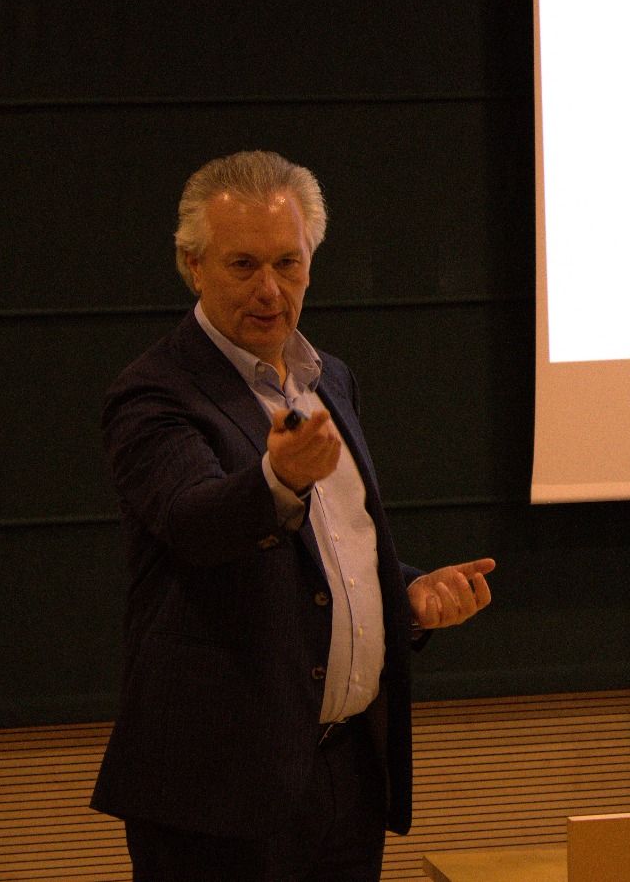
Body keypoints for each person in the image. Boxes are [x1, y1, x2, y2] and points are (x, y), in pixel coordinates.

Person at [90, 150, 495, 881]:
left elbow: (330, 553)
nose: (270, 289)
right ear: (193, 265)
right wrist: (277, 479)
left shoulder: (328, 378)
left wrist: (405, 592)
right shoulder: (154, 392)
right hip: (216, 794)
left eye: (289, 263)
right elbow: (193, 522)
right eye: (244, 265)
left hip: (346, 776)